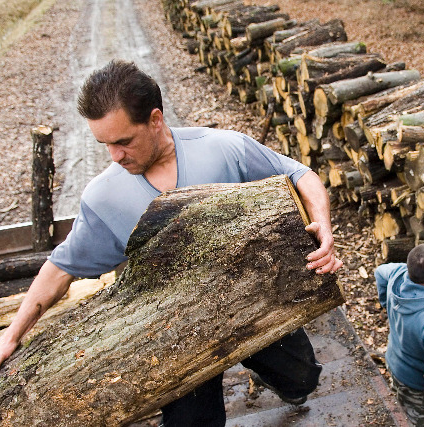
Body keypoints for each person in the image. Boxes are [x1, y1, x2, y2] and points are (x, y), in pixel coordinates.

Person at [0, 60, 343, 426]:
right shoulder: (104, 197)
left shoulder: (224, 150)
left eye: (123, 142)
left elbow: (299, 174)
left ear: (155, 119)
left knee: (303, 380)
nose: (115, 156)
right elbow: (61, 267)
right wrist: (11, 335)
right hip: (178, 331)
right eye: (104, 145)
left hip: (256, 303)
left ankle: (272, 375)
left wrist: (321, 222)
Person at [374, 243, 424, 427]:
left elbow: (379, 272)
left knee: (397, 402)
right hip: (417, 385)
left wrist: (385, 303)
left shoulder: (397, 274)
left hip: (394, 362)